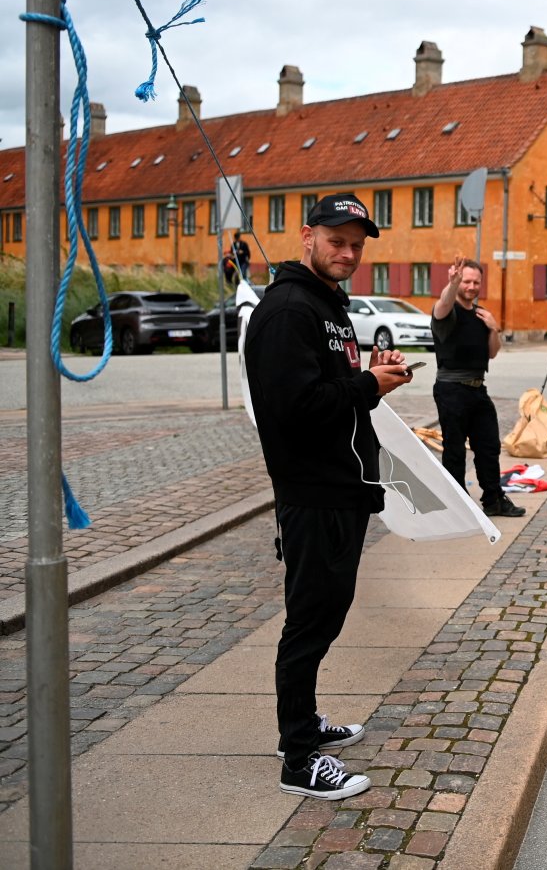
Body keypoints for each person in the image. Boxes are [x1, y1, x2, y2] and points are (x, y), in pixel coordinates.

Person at [244, 192, 414, 800]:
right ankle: (298, 758)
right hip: (312, 491)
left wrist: (372, 375)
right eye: (336, 240)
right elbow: (293, 410)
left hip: (341, 486)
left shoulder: (328, 307)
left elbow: (329, 387)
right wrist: (367, 383)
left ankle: (307, 719)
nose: (347, 252)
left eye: (356, 244)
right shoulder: (290, 309)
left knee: (324, 615)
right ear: (306, 237)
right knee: (310, 622)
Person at [431, 254, 525, 518]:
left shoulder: (481, 314)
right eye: (467, 282)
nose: (471, 287)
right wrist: (452, 283)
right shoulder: (447, 312)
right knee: (455, 449)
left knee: (488, 446)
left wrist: (494, 329)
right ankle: (457, 503)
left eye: (476, 283)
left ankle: (493, 499)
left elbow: (492, 354)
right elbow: (442, 305)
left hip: (477, 388)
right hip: (451, 389)